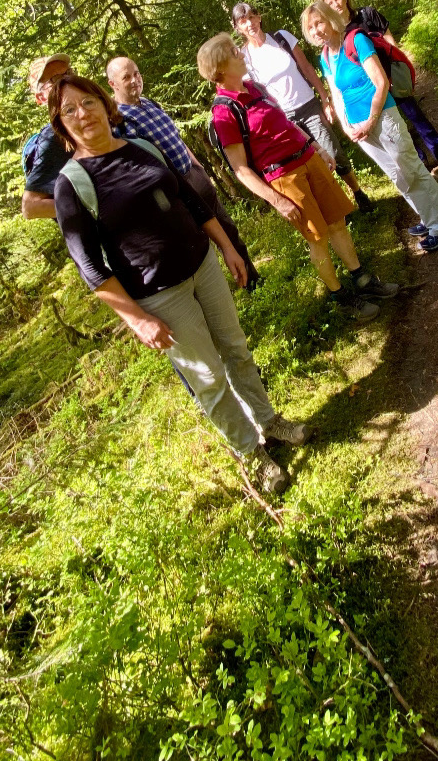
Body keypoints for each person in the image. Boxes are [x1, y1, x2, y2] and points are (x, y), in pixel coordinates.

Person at [48, 74, 309, 494]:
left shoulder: (142, 149)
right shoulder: (72, 186)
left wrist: (226, 247)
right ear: (61, 126)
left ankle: (269, 421)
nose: (83, 114)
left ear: (103, 102)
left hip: (203, 265)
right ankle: (252, 454)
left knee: (236, 349)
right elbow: (91, 269)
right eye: (69, 111)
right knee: (207, 376)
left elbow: (190, 200)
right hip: (160, 297)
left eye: (88, 102)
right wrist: (137, 321)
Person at [197, 34, 400, 321]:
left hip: (309, 159)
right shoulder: (224, 112)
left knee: (338, 224)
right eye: (234, 52)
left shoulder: (255, 87)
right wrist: (277, 201)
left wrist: (316, 147)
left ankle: (363, 281)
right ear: (220, 67)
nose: (241, 54)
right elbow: (240, 169)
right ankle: (340, 297)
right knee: (317, 239)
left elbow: (286, 122)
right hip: (284, 178)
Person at [301, 1, 438, 253]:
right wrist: (347, 126)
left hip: (383, 116)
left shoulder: (356, 40)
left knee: (411, 169)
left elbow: (380, 82)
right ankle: (428, 218)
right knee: (397, 175)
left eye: (319, 23)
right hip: (359, 127)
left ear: (330, 20)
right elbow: (336, 94)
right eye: (310, 27)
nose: (316, 30)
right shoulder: (326, 57)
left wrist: (371, 120)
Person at [106, 55, 260, 291]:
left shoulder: (150, 104)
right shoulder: (119, 122)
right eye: (126, 77)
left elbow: (177, 140)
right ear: (113, 84)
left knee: (227, 228)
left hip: (194, 176)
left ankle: (252, 280)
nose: (135, 80)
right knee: (201, 243)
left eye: (136, 73)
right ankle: (219, 290)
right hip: (175, 193)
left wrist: (199, 168)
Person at [231, 2, 374, 213]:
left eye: (252, 17)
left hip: (308, 106)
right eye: (243, 21)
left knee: (333, 152)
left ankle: (358, 192)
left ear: (259, 17)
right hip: (283, 120)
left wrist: (325, 98)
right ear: (237, 27)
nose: (250, 23)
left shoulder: (281, 38)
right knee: (310, 164)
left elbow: (306, 67)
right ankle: (338, 207)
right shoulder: (246, 60)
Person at [322, 0, 438, 168]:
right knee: (396, 122)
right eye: (330, 3)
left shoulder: (366, 15)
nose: (336, 4)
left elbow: (387, 35)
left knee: (414, 113)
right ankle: (421, 161)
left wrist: (396, 62)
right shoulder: (337, 33)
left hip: (389, 74)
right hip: (371, 87)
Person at [21, 53, 74, 220]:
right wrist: (94, 205)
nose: (67, 81)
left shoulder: (93, 116)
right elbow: (31, 207)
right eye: (55, 79)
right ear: (40, 98)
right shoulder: (54, 136)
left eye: (69, 73)